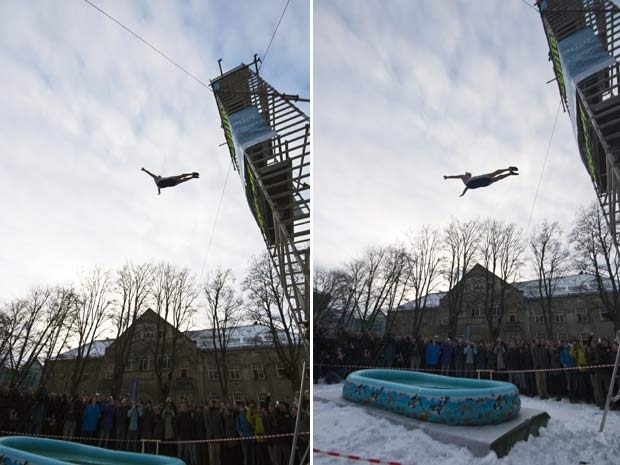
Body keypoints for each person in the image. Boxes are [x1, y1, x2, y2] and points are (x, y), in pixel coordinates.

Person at [444, 167, 518, 197]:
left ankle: (509, 172)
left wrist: (447, 177)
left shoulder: (465, 177)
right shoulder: (467, 178)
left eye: (467, 174)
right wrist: (463, 193)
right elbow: (465, 188)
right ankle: (508, 171)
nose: (466, 174)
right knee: (494, 175)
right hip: (477, 183)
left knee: (495, 178)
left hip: (478, 184)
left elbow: (465, 187)